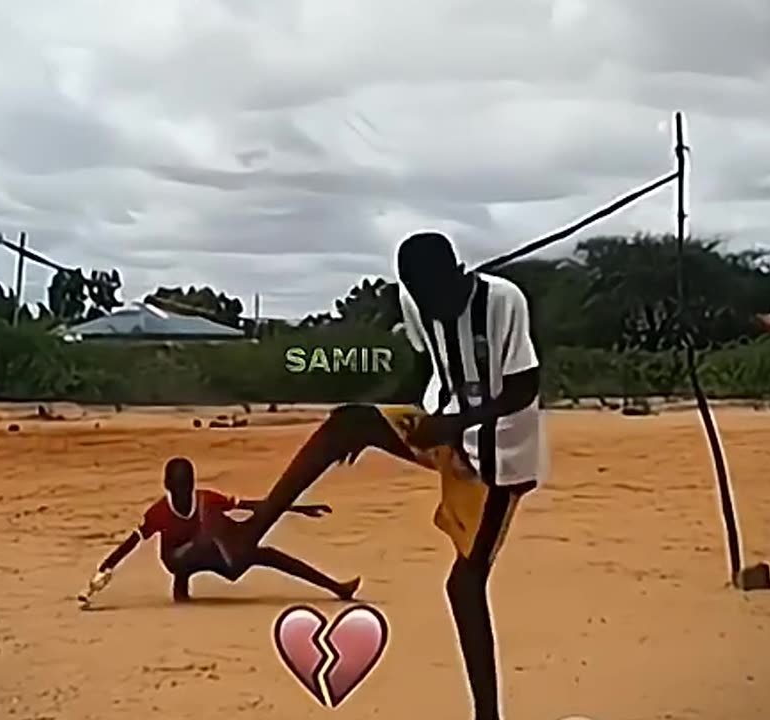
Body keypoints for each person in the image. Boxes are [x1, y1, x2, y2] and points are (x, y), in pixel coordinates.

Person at [216, 231, 545, 720]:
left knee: (463, 585)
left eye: (432, 293)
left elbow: (524, 387)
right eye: (415, 293)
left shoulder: (502, 302)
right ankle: (250, 535)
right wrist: (380, 421)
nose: (426, 305)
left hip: (497, 460)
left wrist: (452, 423)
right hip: (442, 427)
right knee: (346, 421)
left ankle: (487, 717)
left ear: (455, 274)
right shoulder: (416, 303)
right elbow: (423, 369)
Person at [77, 457, 360, 607]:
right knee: (209, 529)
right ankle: (188, 580)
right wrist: (104, 569)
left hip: (214, 552)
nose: (185, 491)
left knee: (269, 555)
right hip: (178, 559)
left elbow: (248, 505)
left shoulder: (204, 498)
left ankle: (337, 588)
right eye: (179, 487)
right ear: (167, 487)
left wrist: (296, 508)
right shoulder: (159, 513)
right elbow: (132, 543)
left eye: (187, 486)